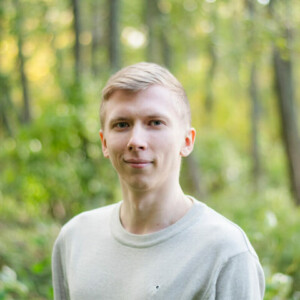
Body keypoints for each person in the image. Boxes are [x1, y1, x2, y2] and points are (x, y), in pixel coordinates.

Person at [52, 62, 265, 299]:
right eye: (122, 124)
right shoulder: (74, 238)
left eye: (155, 123)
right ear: (104, 142)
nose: (136, 141)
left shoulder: (226, 252)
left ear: (187, 141)